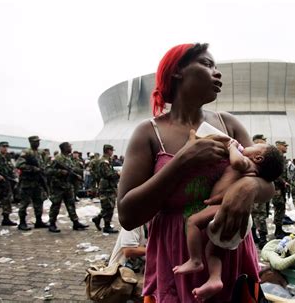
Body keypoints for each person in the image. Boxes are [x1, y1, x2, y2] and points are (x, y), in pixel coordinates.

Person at [116, 43, 274, 302]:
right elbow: (128, 215)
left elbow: (269, 185)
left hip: (228, 253)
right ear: (177, 71)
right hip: (177, 257)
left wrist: (248, 188)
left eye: (216, 66)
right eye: (207, 64)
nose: (217, 72)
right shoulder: (148, 133)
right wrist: (183, 161)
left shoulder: (229, 124)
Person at [172, 140, 284, 300]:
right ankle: (215, 279)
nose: (246, 146)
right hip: (240, 221)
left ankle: (195, 259)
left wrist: (232, 147)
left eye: (252, 146)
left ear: (258, 158)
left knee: (192, 222)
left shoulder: (247, 163)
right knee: (214, 250)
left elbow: (237, 161)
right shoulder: (255, 172)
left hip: (224, 209)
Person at [46, 142, 89, 233]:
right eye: (69, 146)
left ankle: (75, 222)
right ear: (64, 148)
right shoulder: (57, 158)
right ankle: (52, 224)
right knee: (55, 205)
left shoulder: (68, 159)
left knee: (71, 205)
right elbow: (48, 170)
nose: (70, 148)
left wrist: (76, 176)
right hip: (58, 187)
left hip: (68, 186)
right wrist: (60, 172)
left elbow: (71, 170)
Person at [16, 136, 49, 231]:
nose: (37, 143)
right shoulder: (26, 152)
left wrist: (42, 170)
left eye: (38, 141)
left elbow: (43, 164)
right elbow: (19, 165)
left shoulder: (40, 152)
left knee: (39, 202)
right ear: (30, 142)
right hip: (27, 182)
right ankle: (22, 223)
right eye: (35, 142)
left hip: (38, 182)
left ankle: (39, 221)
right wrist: (33, 169)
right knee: (24, 203)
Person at [92, 144, 120, 234]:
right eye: (112, 150)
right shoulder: (104, 161)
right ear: (108, 150)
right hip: (106, 187)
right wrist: (118, 174)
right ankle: (106, 225)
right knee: (108, 206)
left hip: (109, 186)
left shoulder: (107, 160)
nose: (112, 152)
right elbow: (107, 175)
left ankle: (100, 220)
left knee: (109, 207)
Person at [250, 134, 270, 249]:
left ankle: (255, 237)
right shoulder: (255, 158)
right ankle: (261, 239)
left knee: (257, 214)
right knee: (259, 215)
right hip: (256, 189)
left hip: (260, 190)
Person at [272, 140, 290, 238]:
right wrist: (283, 182)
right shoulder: (276, 158)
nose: (286, 147)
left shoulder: (282, 158)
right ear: (279, 146)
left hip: (282, 188)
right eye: (284, 145)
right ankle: (278, 231)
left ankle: (280, 229)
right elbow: (274, 173)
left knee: (281, 208)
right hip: (277, 188)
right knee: (279, 208)